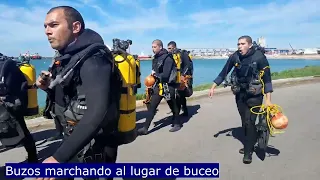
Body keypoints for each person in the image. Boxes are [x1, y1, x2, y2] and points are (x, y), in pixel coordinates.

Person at [36, 6, 119, 180]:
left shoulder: (94, 60)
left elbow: (97, 112)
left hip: (97, 146)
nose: (47, 31)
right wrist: (47, 88)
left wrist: (58, 158)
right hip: (73, 137)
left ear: (75, 28)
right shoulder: (67, 56)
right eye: (45, 26)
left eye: (53, 25)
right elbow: (67, 97)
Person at [208, 35, 273, 164]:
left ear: (249, 45)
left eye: (242, 44)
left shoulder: (259, 57)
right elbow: (224, 72)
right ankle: (253, 139)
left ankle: (248, 152)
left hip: (255, 95)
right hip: (240, 94)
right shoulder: (235, 57)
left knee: (249, 122)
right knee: (245, 122)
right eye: (238, 44)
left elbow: (267, 80)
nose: (239, 46)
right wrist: (214, 86)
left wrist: (268, 100)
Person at [137, 39, 181, 135]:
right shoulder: (156, 58)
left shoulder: (168, 58)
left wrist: (155, 74)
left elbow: (165, 75)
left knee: (173, 106)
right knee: (152, 106)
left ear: (160, 47)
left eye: (155, 47)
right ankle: (145, 128)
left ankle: (177, 123)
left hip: (168, 86)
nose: (153, 49)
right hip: (159, 86)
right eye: (152, 47)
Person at [0, 54, 38, 163]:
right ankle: (33, 158)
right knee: (23, 131)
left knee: (22, 131)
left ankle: (33, 158)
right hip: (13, 104)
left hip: (8, 105)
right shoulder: (8, 63)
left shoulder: (5, 65)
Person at [42, 50, 65, 141]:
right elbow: (50, 70)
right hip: (54, 87)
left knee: (63, 112)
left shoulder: (66, 57)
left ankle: (67, 134)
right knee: (54, 110)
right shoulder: (55, 58)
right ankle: (59, 132)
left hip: (62, 88)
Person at [167, 41, 193, 116]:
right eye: (168, 48)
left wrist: (183, 75)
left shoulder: (182, 54)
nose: (169, 50)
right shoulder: (171, 55)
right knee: (180, 95)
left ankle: (178, 113)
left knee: (179, 94)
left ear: (174, 47)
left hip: (182, 77)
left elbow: (187, 65)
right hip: (175, 77)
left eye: (170, 48)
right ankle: (183, 110)